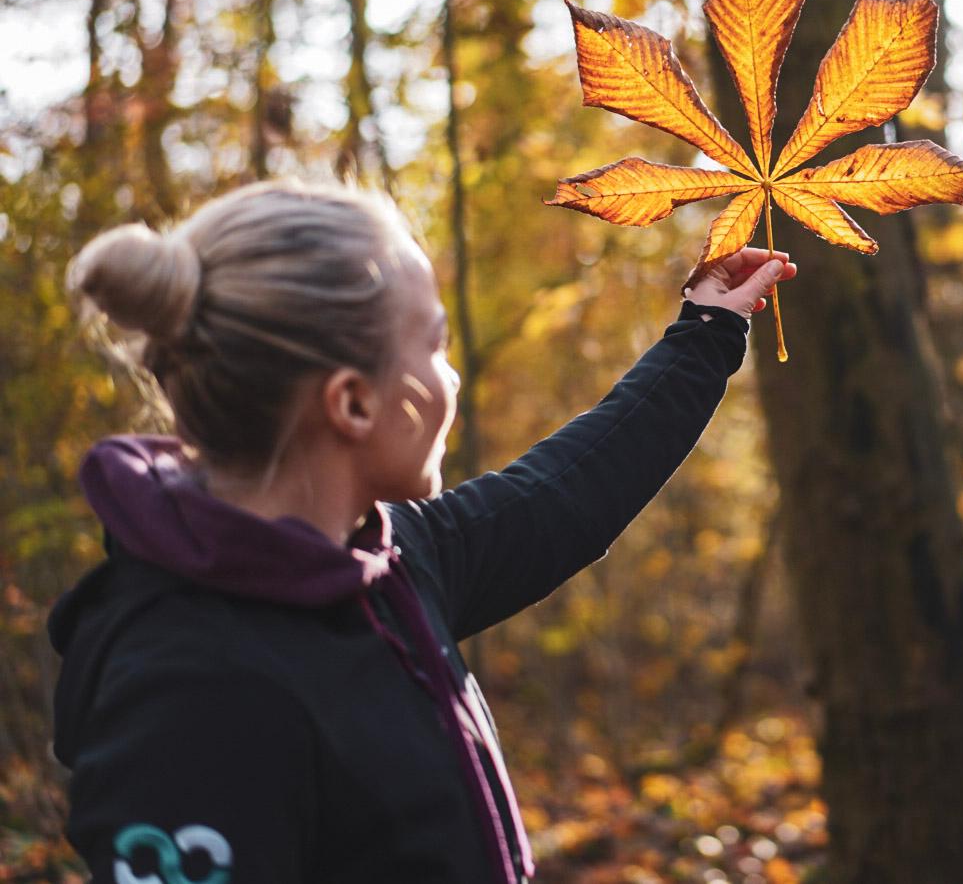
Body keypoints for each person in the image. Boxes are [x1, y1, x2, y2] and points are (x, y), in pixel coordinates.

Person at [47, 179, 796, 884]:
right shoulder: (190, 693)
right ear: (353, 404)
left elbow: (564, 499)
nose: (452, 377)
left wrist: (707, 326)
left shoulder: (383, 562)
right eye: (433, 346)